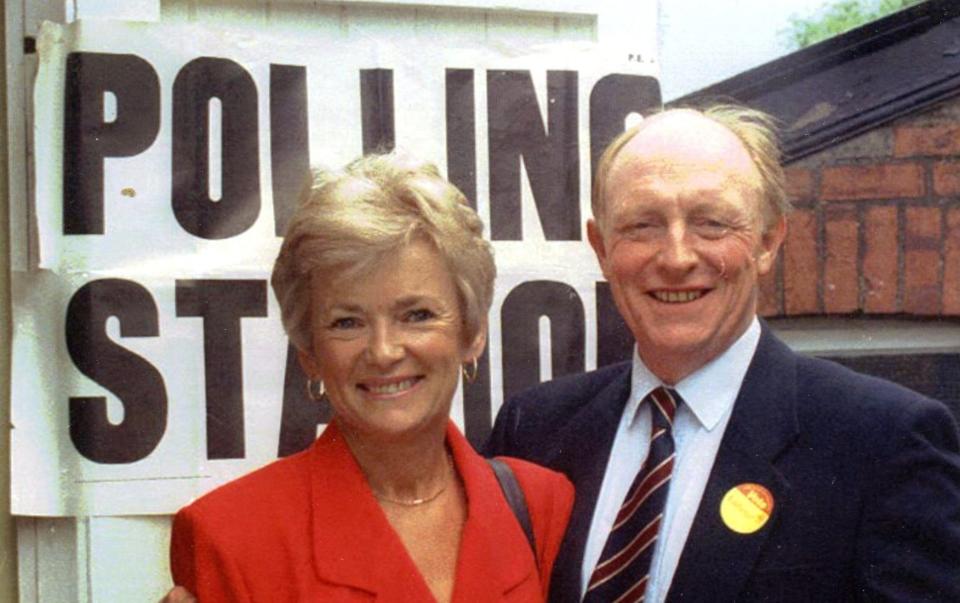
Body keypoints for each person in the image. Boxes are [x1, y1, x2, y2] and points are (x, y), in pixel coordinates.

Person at [485, 105, 960, 602]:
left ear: (768, 240)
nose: (676, 257)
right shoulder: (535, 429)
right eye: (642, 225)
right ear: (601, 247)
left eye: (711, 223)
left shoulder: (882, 441)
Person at [168, 152, 573, 602]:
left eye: (416, 315)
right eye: (347, 322)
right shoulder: (229, 535)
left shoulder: (542, 505)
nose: (383, 351)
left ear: (472, 332)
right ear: (309, 353)